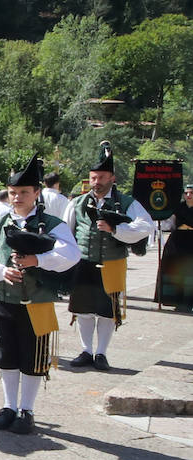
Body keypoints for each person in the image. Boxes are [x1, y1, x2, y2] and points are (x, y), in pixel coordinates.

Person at [0, 156, 80, 434]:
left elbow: (72, 253)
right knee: (7, 352)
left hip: (39, 299)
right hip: (4, 298)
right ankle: (9, 406)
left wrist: (38, 259)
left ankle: (27, 410)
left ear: (36, 193)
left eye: (24, 192)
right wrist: (2, 271)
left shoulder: (51, 223)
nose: (18, 197)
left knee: (33, 355)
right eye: (13, 193)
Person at [64, 146, 154, 371]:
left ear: (112, 178)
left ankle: (101, 353)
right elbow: (66, 231)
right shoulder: (78, 203)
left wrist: (116, 229)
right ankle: (86, 350)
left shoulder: (127, 202)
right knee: (83, 310)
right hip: (83, 262)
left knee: (107, 311)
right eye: (93, 178)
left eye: (102, 177)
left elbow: (146, 225)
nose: (96, 182)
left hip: (113, 263)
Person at [157, 187, 193, 312]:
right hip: (177, 241)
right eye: (186, 193)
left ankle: (189, 302)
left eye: (191, 193)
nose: (188, 195)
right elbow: (169, 224)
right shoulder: (177, 208)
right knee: (175, 272)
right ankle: (175, 300)